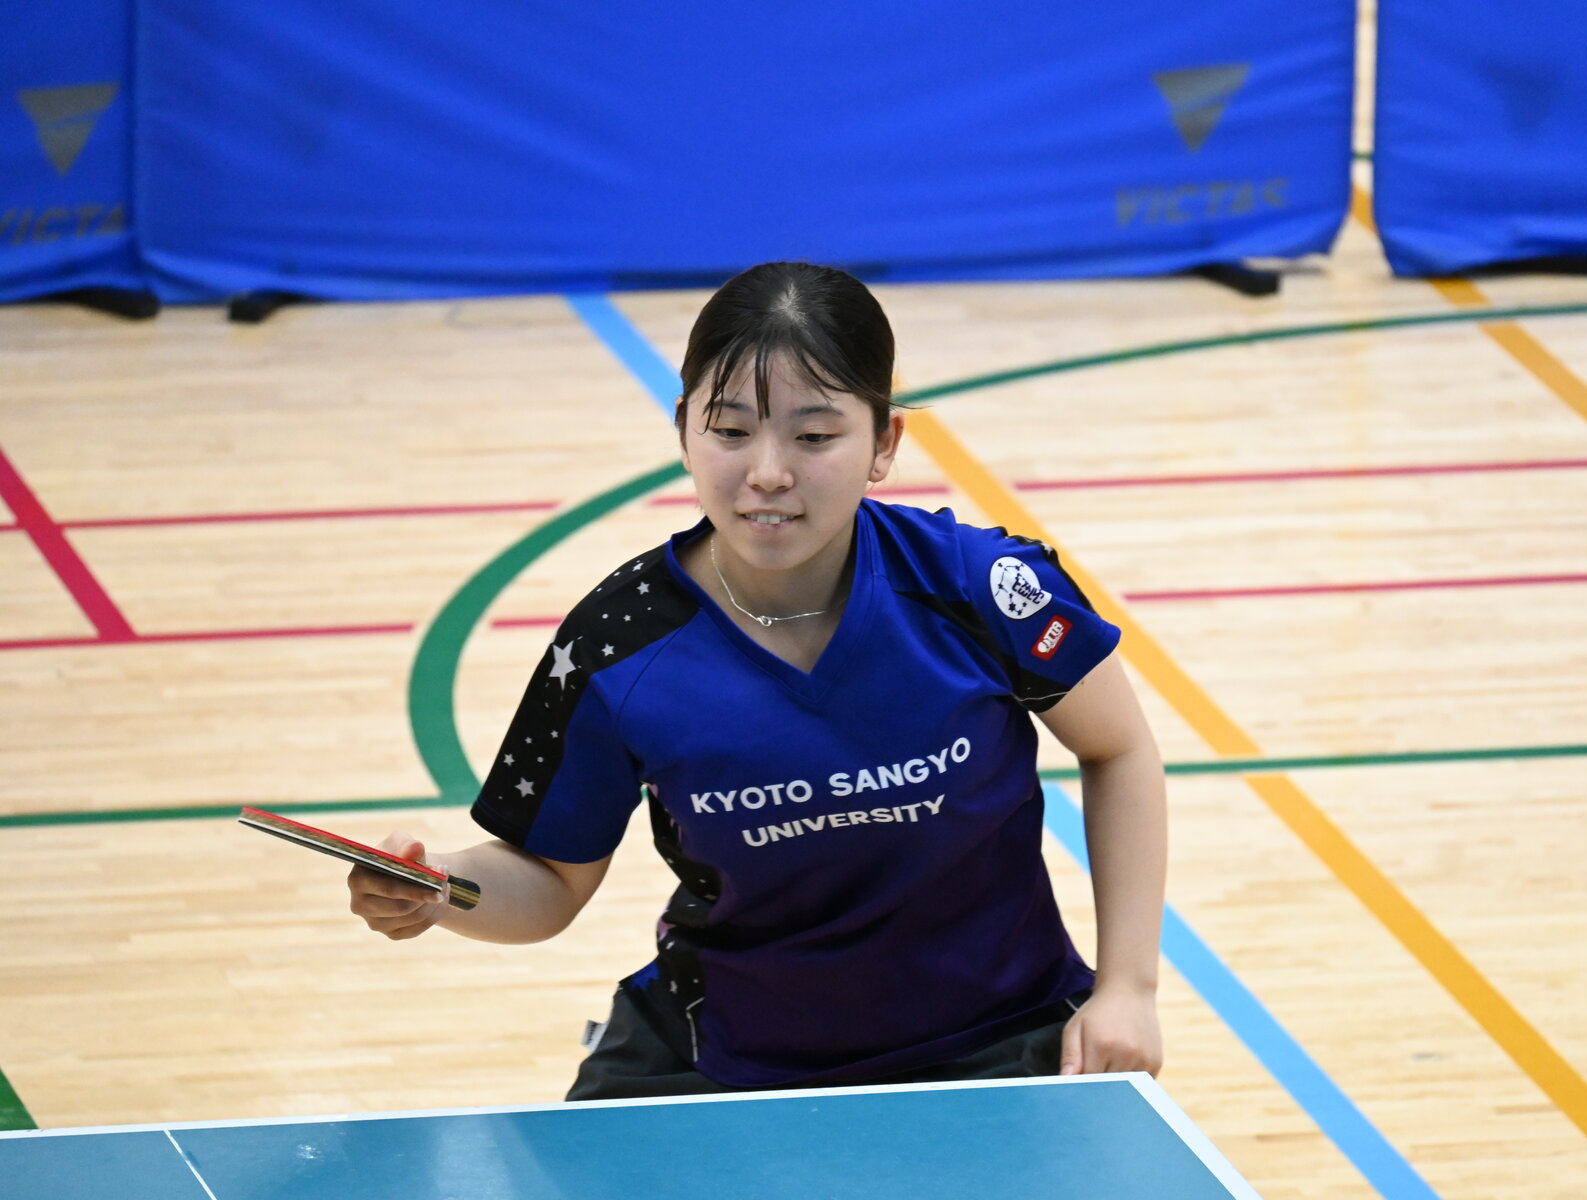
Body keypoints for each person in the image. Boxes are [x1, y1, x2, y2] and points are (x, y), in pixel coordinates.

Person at [348, 261, 1168, 1098]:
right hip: (727, 1057)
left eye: (814, 437)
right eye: (731, 430)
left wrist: (1128, 990)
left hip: (999, 1038)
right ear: (684, 431)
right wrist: (441, 889)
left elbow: (1120, 750)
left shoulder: (977, 586)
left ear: (884, 443)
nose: (768, 472)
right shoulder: (617, 645)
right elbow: (552, 881)